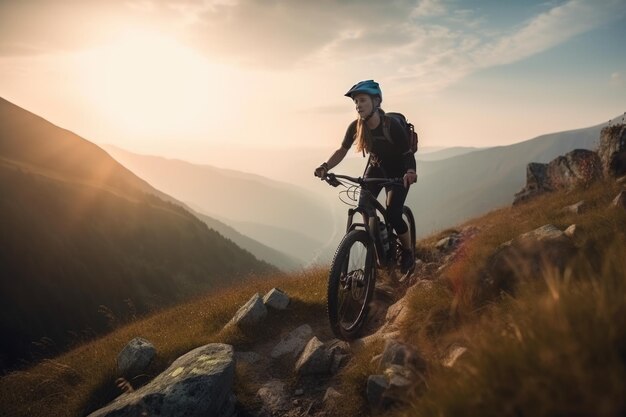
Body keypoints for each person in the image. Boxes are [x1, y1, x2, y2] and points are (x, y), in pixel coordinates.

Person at [314, 79, 417, 273]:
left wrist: (410, 172)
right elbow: (342, 150)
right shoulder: (356, 126)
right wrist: (325, 166)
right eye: (356, 102)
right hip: (376, 168)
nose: (358, 105)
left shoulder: (392, 125)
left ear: (376, 101)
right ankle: (379, 244)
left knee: (394, 214)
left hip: (398, 172)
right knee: (363, 207)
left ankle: (408, 251)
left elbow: (407, 154)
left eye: (362, 100)